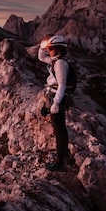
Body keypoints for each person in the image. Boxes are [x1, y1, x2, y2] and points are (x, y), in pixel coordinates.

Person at [38, 34, 72, 171]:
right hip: (53, 95)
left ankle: (60, 161)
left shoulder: (60, 64)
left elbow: (62, 85)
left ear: (58, 50)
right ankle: (63, 156)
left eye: (51, 49)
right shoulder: (55, 61)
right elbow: (41, 57)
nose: (49, 51)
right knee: (59, 128)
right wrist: (42, 47)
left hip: (58, 97)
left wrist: (56, 103)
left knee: (59, 130)